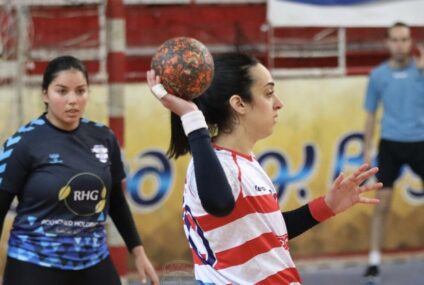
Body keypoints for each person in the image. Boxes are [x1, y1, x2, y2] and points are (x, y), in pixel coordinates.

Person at [147, 52, 383, 284]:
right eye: (269, 93)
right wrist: (192, 117)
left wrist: (327, 205)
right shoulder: (218, 165)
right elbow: (218, 203)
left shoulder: (240, 160)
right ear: (239, 103)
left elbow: (264, 233)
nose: (279, 103)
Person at [0, 56, 159, 285]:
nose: (72, 100)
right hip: (33, 265)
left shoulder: (104, 138)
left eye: (80, 91)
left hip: (94, 263)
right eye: (62, 91)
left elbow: (116, 201)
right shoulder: (23, 143)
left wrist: (138, 251)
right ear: (45, 94)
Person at [363, 22, 424, 281]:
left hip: (420, 141)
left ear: (411, 42)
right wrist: (367, 150)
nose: (400, 44)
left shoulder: (421, 72)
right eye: (395, 40)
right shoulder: (378, 76)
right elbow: (370, 114)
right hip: (390, 143)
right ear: (388, 43)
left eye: (404, 39)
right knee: (382, 203)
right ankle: (374, 260)